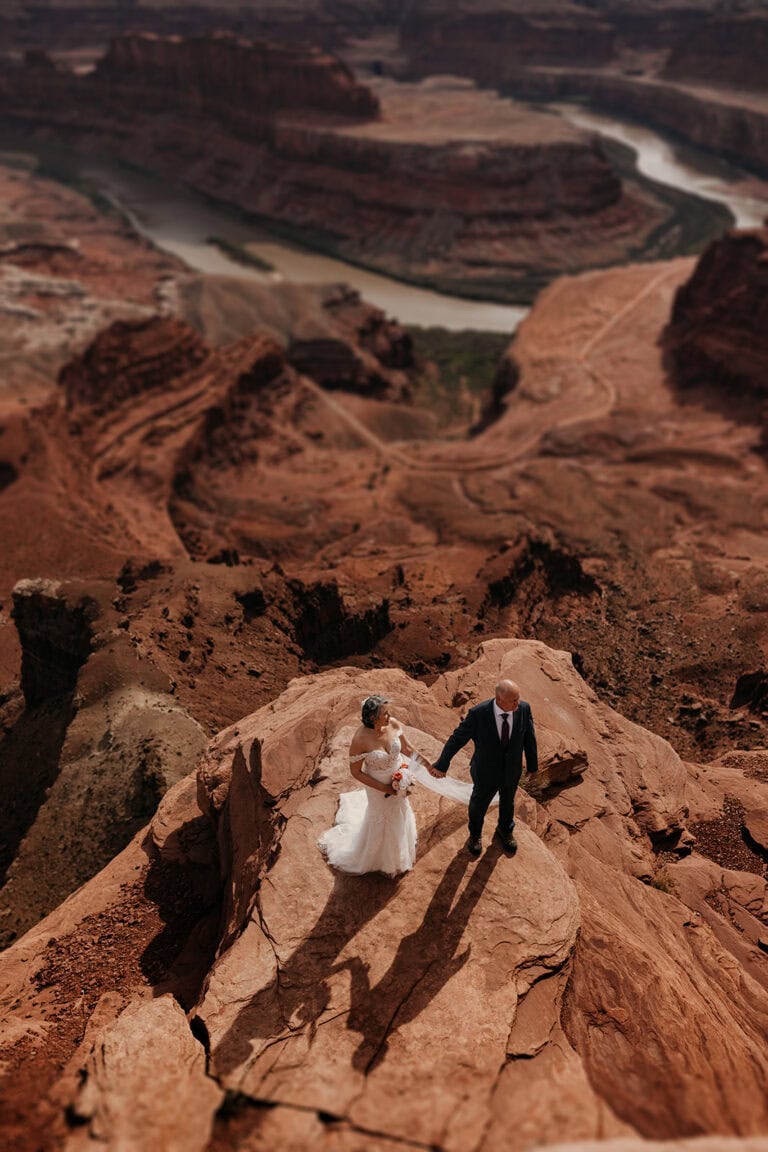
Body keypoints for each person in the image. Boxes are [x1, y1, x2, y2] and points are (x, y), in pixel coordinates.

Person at [318, 694, 434, 877]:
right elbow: (356, 772)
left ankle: (399, 851)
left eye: (388, 712)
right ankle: (379, 859)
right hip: (377, 787)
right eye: (385, 714)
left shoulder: (393, 724)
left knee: (399, 809)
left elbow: (407, 750)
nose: (389, 717)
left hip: (398, 778)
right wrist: (386, 789)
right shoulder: (360, 739)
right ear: (372, 717)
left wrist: (427, 765)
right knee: (381, 816)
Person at [430, 679, 537, 856]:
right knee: (479, 803)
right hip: (485, 770)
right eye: (514, 700)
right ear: (500, 699)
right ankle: (475, 835)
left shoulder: (524, 709)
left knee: (508, 800)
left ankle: (505, 829)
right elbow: (458, 738)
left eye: (518, 699)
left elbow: (529, 738)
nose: (518, 703)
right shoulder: (479, 713)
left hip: (511, 769)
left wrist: (532, 766)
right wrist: (442, 764)